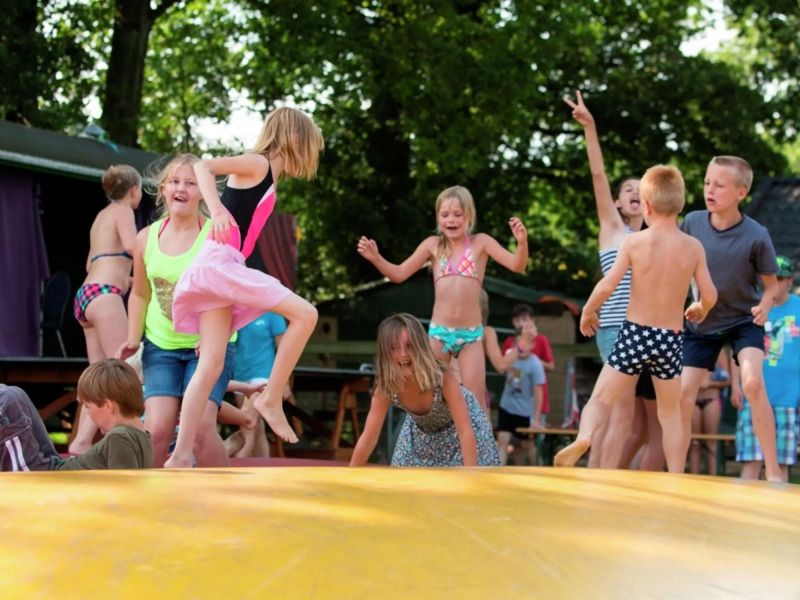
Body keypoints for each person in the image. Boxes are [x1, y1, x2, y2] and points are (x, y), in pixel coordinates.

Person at [164, 107, 324, 468]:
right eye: (310, 146)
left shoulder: (268, 174)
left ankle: (180, 455)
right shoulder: (259, 163)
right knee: (307, 314)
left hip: (221, 266)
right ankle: (270, 400)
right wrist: (217, 210)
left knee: (211, 365)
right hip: (221, 261)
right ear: (295, 139)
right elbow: (203, 166)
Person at [555, 165, 717, 472]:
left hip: (634, 334)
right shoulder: (693, 247)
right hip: (669, 338)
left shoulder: (634, 242)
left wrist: (589, 311)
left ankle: (586, 435)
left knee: (601, 400)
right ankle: (677, 474)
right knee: (670, 416)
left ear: (646, 206)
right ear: (680, 205)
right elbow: (709, 294)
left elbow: (606, 285)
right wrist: (701, 308)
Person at [357, 186, 528, 411]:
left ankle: (478, 445)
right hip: (439, 334)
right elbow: (399, 274)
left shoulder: (481, 243)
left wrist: (522, 242)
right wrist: (376, 258)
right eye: (445, 214)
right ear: (438, 217)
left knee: (475, 402)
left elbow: (518, 265)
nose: (451, 220)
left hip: (471, 335)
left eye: (458, 214)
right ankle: (431, 443)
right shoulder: (432, 245)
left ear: (470, 216)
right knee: (428, 394)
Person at [116, 154, 237, 468]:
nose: (181, 188)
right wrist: (133, 339)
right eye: (174, 182)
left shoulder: (217, 235)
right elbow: (140, 294)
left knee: (200, 429)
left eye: (190, 182)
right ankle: (152, 504)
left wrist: (215, 338)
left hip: (209, 347)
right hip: (162, 347)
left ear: (202, 191)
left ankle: (226, 503)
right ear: (163, 190)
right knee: (156, 429)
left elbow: (236, 295)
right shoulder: (146, 239)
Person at [678, 156, 782, 482]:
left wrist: (766, 305)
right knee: (682, 394)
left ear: (740, 193)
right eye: (708, 182)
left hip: (742, 320)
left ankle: (775, 472)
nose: (710, 189)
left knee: (752, 382)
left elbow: (771, 287)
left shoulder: (756, 234)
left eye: (719, 185)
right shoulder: (692, 223)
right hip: (701, 320)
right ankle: (676, 471)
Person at [564, 91, 649, 469]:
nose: (633, 192)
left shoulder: (653, 239)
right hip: (616, 328)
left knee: (625, 417)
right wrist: (590, 127)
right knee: (623, 415)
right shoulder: (613, 230)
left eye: (640, 190)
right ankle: (602, 481)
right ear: (616, 202)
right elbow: (598, 174)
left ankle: (598, 474)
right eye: (627, 189)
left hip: (642, 330)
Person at [350, 314, 501, 467]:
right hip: (423, 432)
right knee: (404, 478)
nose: (403, 354)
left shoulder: (442, 379)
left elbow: (465, 431)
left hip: (462, 428)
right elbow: (369, 438)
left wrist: (471, 477)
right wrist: (349, 477)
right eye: (394, 347)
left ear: (420, 346)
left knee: (461, 480)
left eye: (409, 346)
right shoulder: (386, 388)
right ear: (385, 353)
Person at [69, 164, 142, 454]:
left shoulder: (100, 217)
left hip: (87, 294)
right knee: (126, 367)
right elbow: (132, 246)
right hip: (105, 295)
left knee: (99, 376)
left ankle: (81, 441)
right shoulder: (125, 211)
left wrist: (129, 280)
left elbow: (91, 264)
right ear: (134, 190)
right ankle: (91, 439)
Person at [1, 359, 153, 471]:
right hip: (54, 470)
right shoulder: (143, 437)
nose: (89, 415)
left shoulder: (119, 437)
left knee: (10, 398)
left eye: (87, 407)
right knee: (13, 395)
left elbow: (125, 492)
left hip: (47, 480)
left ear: (108, 406)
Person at [735, 256, 800, 482]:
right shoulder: (753, 306)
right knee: (751, 461)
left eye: (781, 278)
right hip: (754, 396)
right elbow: (736, 347)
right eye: (772, 278)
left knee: (780, 464)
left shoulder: (799, 308)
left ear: (790, 281)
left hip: (789, 398)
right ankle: (741, 514)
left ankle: (777, 516)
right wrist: (735, 385)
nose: (776, 282)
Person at [229, 311, 290, 457]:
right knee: (256, 427)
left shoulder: (273, 314)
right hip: (240, 375)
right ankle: (264, 467)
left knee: (247, 423)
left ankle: (238, 465)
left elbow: (285, 349)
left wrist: (284, 381)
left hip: (264, 375)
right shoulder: (235, 310)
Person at [495, 329, 546, 466]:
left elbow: (538, 392)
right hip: (506, 406)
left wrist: (535, 419)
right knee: (502, 439)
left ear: (532, 345)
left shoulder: (535, 364)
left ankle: (540, 470)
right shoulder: (510, 357)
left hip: (524, 411)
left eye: (525, 343)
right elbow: (500, 364)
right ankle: (496, 473)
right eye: (518, 343)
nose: (522, 347)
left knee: (527, 445)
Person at [501, 303, 554, 428]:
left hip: (534, 398)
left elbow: (551, 366)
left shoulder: (541, 340)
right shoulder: (509, 341)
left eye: (524, 319)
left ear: (532, 321)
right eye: (517, 320)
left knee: (532, 437)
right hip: (513, 396)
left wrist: (532, 362)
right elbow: (502, 366)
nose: (521, 323)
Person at [690, 351, 730, 475]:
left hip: (712, 399)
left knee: (711, 442)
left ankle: (714, 478)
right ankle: (692, 479)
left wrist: (710, 384)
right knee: (695, 442)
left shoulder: (720, 351)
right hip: (693, 400)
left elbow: (728, 380)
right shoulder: (690, 345)